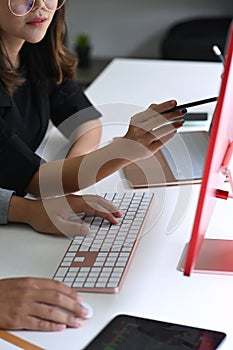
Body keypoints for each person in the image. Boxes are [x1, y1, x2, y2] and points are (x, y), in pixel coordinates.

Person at [0, 0, 186, 331]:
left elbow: (86, 122)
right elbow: (38, 181)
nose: (41, 6)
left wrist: (73, 174)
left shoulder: (33, 48)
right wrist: (123, 150)